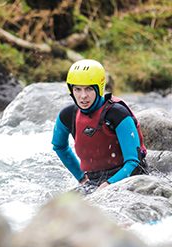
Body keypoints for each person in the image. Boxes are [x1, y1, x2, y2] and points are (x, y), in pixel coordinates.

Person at [51, 59, 148, 195]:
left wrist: (109, 184)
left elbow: (134, 162)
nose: (83, 96)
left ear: (99, 88)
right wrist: (81, 177)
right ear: (71, 90)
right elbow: (59, 146)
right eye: (77, 89)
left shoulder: (117, 114)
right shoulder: (67, 115)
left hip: (128, 176)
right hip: (93, 180)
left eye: (89, 89)